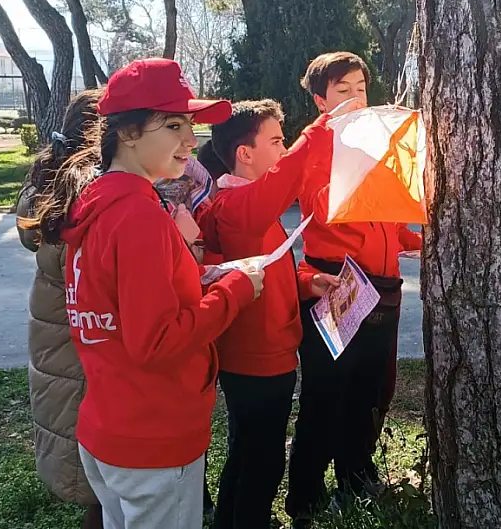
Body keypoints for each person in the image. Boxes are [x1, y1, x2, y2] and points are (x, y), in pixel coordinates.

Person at [61, 57, 265, 529]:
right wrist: (236, 289)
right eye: (174, 125)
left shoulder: (98, 203)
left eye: (190, 125)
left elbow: (118, 306)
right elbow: (156, 341)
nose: (191, 141)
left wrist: (199, 278)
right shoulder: (138, 216)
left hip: (110, 428)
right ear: (128, 133)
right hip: (152, 438)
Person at [285, 52, 423, 527]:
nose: (356, 98)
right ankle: (304, 498)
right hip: (336, 284)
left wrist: (413, 239)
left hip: (383, 289)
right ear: (321, 99)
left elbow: (383, 217)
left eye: (361, 88)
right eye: (343, 90)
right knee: (326, 396)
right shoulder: (313, 148)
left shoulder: (373, 144)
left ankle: (356, 477)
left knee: (370, 392)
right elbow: (321, 212)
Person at [197, 99, 339, 529]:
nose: (283, 150)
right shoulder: (237, 207)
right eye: (276, 140)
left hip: (268, 356)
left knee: (248, 453)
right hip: (256, 362)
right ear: (245, 154)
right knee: (262, 464)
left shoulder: (248, 206)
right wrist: (320, 129)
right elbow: (285, 178)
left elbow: (267, 266)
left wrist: (306, 283)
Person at [16, 89, 105, 529]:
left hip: (56, 334)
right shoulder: (88, 192)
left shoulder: (51, 179)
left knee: (92, 469)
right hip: (77, 343)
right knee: (100, 482)